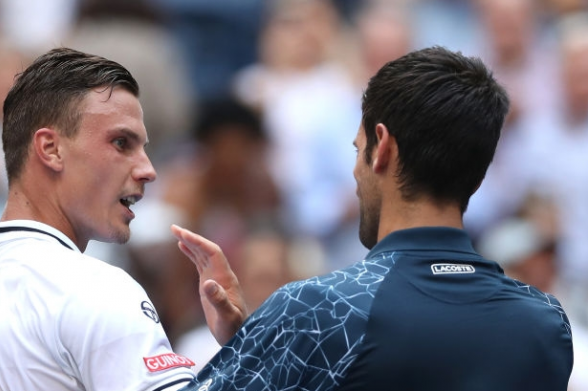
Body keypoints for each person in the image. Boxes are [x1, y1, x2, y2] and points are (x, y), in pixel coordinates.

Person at [172, 46, 573, 390]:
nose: (355, 173)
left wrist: (256, 347)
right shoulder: (547, 324)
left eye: (357, 149)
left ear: (381, 148)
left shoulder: (317, 311)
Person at [0, 47, 246, 391]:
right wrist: (245, 353)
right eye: (121, 143)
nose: (148, 170)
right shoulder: (101, 291)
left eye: (143, 148)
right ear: (50, 149)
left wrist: (238, 348)